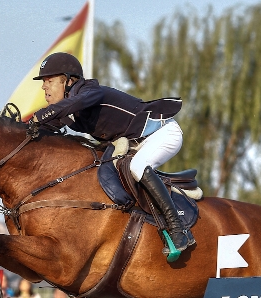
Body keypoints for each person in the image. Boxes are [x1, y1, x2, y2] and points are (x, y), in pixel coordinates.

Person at [30, 52, 195, 261]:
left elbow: (72, 104)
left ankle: (178, 229)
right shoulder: (72, 112)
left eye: (49, 81)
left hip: (163, 133)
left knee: (138, 166)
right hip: (139, 142)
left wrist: (44, 114)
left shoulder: (90, 91)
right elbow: (52, 125)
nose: (44, 87)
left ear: (70, 81)